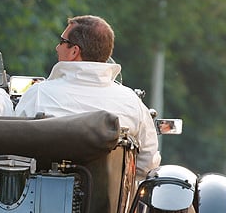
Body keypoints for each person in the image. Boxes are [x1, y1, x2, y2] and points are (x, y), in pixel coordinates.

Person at [14, 15, 160, 177]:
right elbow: (147, 166)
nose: (57, 47)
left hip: (43, 200)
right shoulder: (132, 102)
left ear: (74, 51)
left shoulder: (38, 95)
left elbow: (14, 152)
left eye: (62, 41)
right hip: (109, 202)